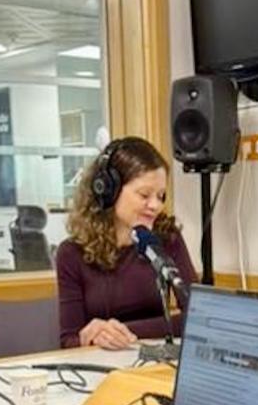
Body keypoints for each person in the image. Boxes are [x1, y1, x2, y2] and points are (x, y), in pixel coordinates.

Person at [55, 136, 197, 350]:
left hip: (152, 362)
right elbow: (68, 341)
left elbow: (198, 318)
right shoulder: (71, 253)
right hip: (100, 368)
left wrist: (124, 331)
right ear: (109, 190)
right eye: (144, 195)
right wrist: (89, 337)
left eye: (161, 196)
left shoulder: (166, 238)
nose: (155, 206)